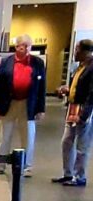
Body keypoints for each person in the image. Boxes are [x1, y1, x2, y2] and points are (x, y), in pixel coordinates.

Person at [0, 34, 46, 176]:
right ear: (17, 47)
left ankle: (26, 166)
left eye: (29, 46)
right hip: (8, 102)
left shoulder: (38, 63)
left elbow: (42, 87)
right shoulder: (6, 62)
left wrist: (41, 108)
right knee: (4, 135)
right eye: (24, 46)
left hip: (28, 103)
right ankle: (0, 165)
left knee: (28, 135)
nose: (27, 49)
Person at [52, 39, 93, 187]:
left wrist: (83, 116)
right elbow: (79, 87)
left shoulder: (91, 67)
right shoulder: (80, 67)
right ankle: (68, 173)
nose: (74, 52)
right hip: (73, 108)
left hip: (84, 111)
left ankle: (79, 176)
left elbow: (91, 94)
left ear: (85, 51)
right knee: (67, 141)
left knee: (82, 145)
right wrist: (67, 90)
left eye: (76, 50)